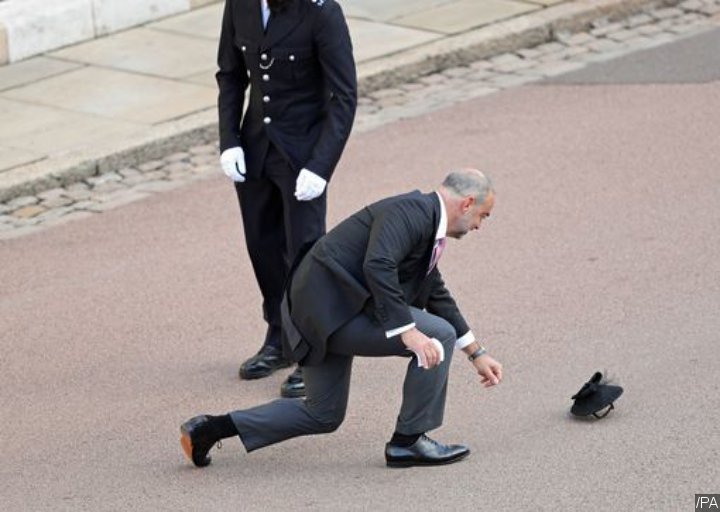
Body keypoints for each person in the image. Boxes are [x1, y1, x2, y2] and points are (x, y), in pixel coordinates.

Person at [180, 170, 504, 468]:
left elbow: (436, 292)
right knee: (438, 335)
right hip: (331, 314)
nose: (480, 225)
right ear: (467, 203)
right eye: (483, 215)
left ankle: (210, 429)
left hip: (324, 314)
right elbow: (378, 265)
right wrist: (409, 333)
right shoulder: (411, 212)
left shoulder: (424, 222)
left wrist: (476, 352)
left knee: (322, 414)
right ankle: (409, 441)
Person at [216, 0, 357, 397]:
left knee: (306, 257)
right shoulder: (240, 4)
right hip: (255, 150)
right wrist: (229, 140)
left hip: (303, 155)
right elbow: (230, 75)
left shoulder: (321, 12)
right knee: (262, 246)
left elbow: (344, 97)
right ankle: (279, 337)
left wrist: (321, 165)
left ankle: (311, 351)